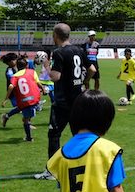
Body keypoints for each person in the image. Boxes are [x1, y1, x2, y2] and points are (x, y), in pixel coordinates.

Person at [35, 23, 92, 180]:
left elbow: (55, 77)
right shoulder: (79, 50)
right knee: (79, 135)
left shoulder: (59, 52)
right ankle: (85, 167)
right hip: (78, 100)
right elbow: (92, 69)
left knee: (54, 134)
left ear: (55, 35)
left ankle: (52, 171)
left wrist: (46, 65)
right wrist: (84, 82)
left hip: (63, 102)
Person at [1, 57, 42, 142]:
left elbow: (11, 86)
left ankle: (7, 116)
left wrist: (6, 99)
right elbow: (38, 83)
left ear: (17, 66)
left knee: (22, 107)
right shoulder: (32, 72)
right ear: (27, 65)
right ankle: (28, 137)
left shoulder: (15, 76)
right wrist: (43, 89)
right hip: (31, 96)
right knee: (26, 117)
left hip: (23, 97)